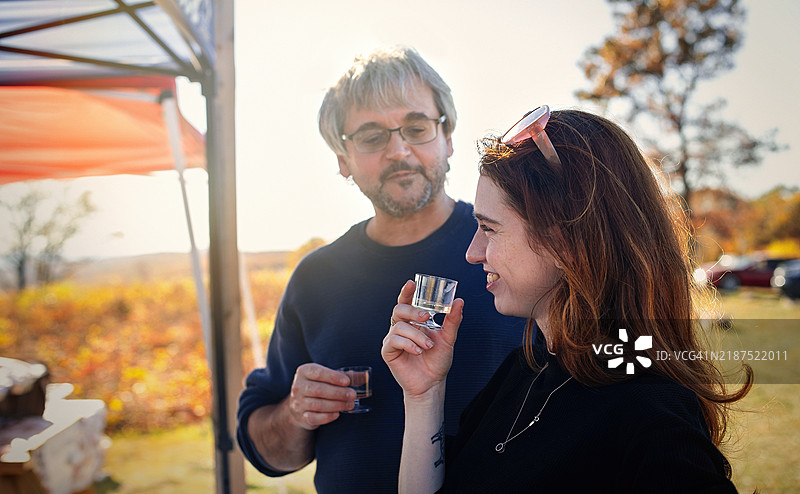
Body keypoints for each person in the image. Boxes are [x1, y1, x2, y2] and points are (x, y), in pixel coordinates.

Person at [382, 106, 753, 493]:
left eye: (489, 228)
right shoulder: (524, 369)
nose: (473, 253)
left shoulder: (651, 412)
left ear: (567, 240)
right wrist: (423, 395)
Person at [235, 46, 524, 493]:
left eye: (416, 127)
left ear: (448, 138)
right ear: (342, 160)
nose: (399, 150)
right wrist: (295, 414)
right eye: (372, 137)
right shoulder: (315, 280)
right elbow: (269, 455)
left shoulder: (518, 250)